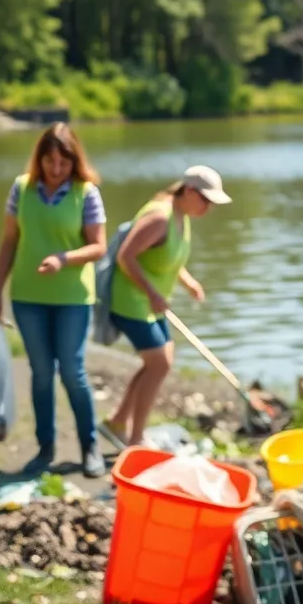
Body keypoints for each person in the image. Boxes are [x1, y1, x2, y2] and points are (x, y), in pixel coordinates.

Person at [0, 123, 107, 478]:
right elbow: (9, 241)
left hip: (72, 297)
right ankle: (45, 448)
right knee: (41, 373)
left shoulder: (86, 193)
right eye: (50, 161)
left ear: (75, 162)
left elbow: (99, 247)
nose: (57, 169)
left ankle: (90, 447)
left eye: (64, 163)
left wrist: (64, 259)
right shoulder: (20, 189)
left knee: (72, 370)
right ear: (39, 159)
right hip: (28, 297)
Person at [100, 166, 230, 448]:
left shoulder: (182, 215)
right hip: (132, 301)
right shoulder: (160, 216)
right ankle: (135, 440)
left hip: (152, 303)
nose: (209, 208)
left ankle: (118, 422)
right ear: (190, 192)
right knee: (160, 363)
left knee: (157, 363)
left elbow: (169, 257)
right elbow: (126, 257)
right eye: (206, 201)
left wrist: (189, 282)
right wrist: (152, 293)